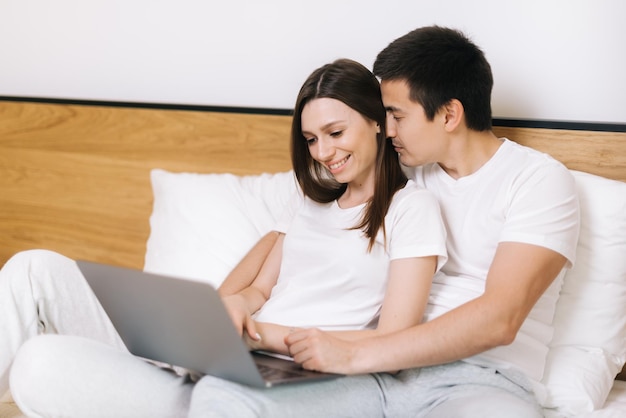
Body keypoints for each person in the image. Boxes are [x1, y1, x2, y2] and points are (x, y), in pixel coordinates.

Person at [1, 59, 447, 417]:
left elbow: (395, 341)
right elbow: (251, 289)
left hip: (288, 379)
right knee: (32, 270)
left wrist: (260, 335)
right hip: (225, 354)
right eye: (311, 139)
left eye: (335, 133)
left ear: (376, 123)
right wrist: (235, 309)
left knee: (39, 365)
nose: (323, 153)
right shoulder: (310, 206)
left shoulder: (411, 210)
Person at [194, 26, 580, 417]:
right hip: (373, 375)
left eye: (395, 115)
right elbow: (293, 229)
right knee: (227, 400)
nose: (387, 129)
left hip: (474, 376)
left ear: (449, 114)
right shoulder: (403, 169)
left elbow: (500, 319)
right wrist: (235, 301)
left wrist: (354, 352)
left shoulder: (536, 181)